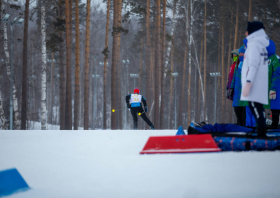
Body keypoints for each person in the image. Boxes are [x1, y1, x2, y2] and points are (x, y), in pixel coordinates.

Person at [241, 21, 270, 137]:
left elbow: (253, 65)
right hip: (259, 84)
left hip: (254, 85)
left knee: (255, 110)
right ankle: (261, 132)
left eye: (247, 31)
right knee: (259, 110)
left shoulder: (253, 45)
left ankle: (261, 134)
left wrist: (248, 83)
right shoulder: (261, 45)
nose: (245, 33)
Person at [229, 45, 248, 126]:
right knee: (237, 111)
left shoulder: (248, 64)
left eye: (242, 53)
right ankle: (240, 126)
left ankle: (244, 127)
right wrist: (231, 88)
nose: (240, 54)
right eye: (239, 53)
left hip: (244, 94)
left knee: (244, 114)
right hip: (237, 94)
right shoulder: (238, 64)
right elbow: (234, 77)